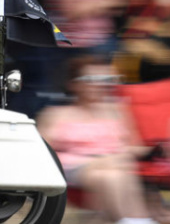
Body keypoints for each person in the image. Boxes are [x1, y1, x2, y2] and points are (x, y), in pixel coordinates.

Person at [38, 56, 156, 224]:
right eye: (91, 79)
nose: (99, 84)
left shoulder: (117, 110)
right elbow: (41, 153)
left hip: (113, 167)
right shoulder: (55, 114)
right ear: (74, 83)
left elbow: (136, 146)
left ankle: (130, 220)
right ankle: (142, 219)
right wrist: (110, 159)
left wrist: (122, 155)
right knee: (116, 169)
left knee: (111, 176)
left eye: (105, 79)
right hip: (71, 166)